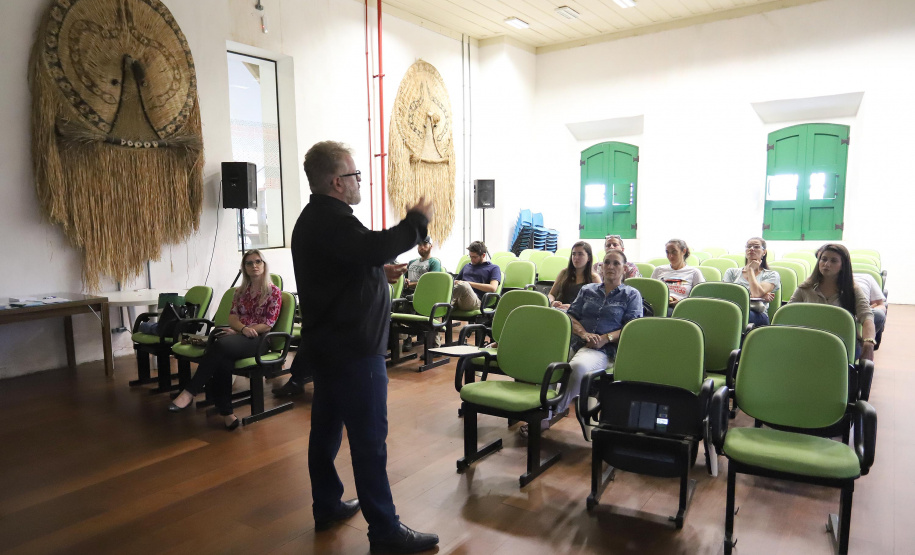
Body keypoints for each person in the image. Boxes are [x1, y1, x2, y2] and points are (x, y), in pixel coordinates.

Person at [293, 141, 438, 553]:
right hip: (354, 351)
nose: (360, 181)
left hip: (330, 348)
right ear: (337, 182)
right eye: (355, 175)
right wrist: (416, 222)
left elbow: (350, 263)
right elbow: (373, 245)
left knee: (325, 431)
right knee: (369, 440)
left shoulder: (317, 219)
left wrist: (376, 270)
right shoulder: (333, 220)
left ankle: (327, 504)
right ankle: (385, 531)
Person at [168, 249, 282, 431]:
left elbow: (267, 324)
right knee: (223, 357)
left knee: (219, 345)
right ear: (244, 268)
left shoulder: (273, 292)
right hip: (240, 335)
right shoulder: (240, 292)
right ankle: (227, 414)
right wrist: (241, 329)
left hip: (259, 340)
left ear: (264, 264)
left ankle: (190, 392)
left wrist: (243, 331)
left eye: (258, 261)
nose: (254, 266)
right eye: (249, 263)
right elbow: (232, 318)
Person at [564, 250, 643, 439]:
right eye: (607, 262)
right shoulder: (588, 290)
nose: (610, 267)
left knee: (577, 367)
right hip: (578, 341)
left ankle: (554, 410)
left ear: (624, 269)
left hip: (605, 350)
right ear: (601, 266)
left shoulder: (631, 295)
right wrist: (584, 333)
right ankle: (549, 403)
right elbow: (571, 315)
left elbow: (632, 328)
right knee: (548, 360)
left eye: (616, 263)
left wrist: (605, 338)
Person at [789, 244, 875, 362]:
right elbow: (788, 313)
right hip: (808, 341)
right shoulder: (805, 288)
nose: (826, 264)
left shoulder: (852, 290)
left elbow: (867, 317)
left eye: (834, 261)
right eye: (823, 259)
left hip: (843, 343)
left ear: (842, 266)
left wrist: (869, 343)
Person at [722, 237, 781, 325]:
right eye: (749, 246)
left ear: (764, 252)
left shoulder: (771, 275)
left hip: (757, 314)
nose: (751, 249)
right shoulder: (731, 272)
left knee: (736, 315)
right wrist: (755, 298)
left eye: (756, 247)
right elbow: (725, 296)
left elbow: (756, 293)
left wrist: (750, 271)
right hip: (733, 310)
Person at [650, 238, 705, 316]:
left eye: (674, 252)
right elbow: (652, 292)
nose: (670, 256)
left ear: (683, 251)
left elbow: (699, 298)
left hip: (682, 308)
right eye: (667, 252)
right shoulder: (659, 270)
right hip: (659, 305)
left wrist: (680, 302)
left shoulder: (694, 272)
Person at [548, 241, 601, 311]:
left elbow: (598, 303)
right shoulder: (564, 273)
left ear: (589, 258)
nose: (576, 257)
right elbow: (551, 294)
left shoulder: (594, 278)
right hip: (558, 310)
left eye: (580, 254)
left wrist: (573, 307)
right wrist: (552, 302)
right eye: (574, 254)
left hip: (579, 314)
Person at [453, 241, 501, 311]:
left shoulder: (493, 268)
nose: (472, 260)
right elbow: (456, 284)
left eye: (475, 257)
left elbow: (493, 288)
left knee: (464, 285)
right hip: (460, 299)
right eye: (470, 257)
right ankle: (441, 303)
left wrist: (469, 283)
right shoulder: (467, 266)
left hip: (476, 301)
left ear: (483, 255)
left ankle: (441, 302)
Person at [853, 272, 886, 339]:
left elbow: (880, 305)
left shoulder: (866, 277)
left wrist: (867, 311)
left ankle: (865, 341)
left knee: (879, 314)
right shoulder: (828, 278)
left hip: (862, 313)